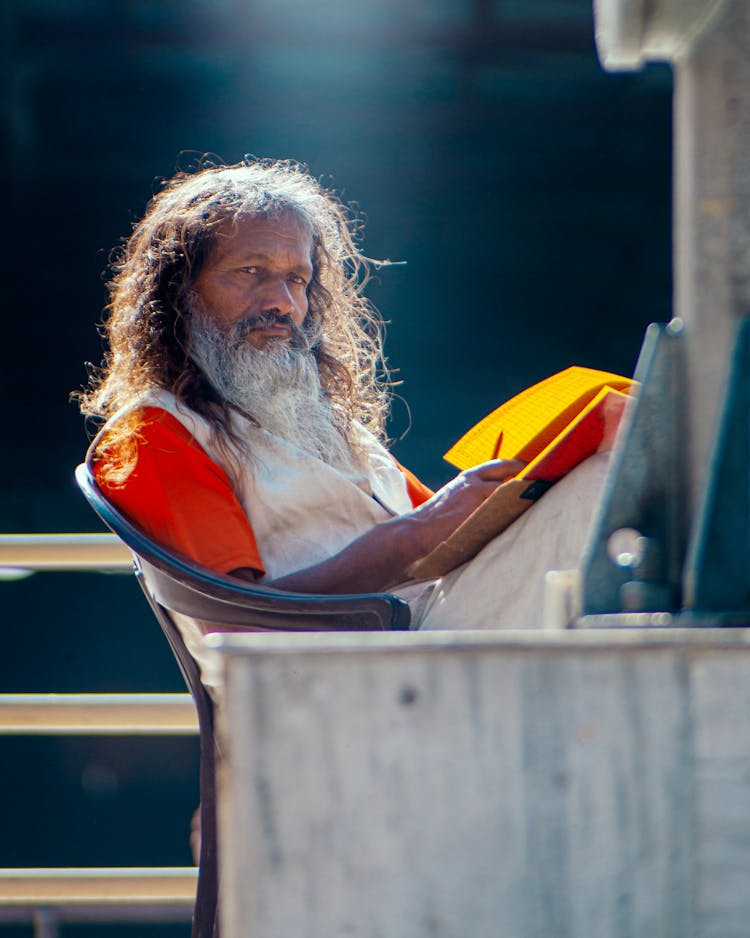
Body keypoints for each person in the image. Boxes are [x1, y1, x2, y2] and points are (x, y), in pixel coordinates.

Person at [78, 158, 609, 660]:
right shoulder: (158, 432)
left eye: (297, 279)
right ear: (177, 291)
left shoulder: (322, 422)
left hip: (435, 636)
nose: (281, 301)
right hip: (351, 672)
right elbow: (239, 626)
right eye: (250, 271)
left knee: (610, 449)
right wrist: (413, 537)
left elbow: (454, 536)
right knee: (600, 481)